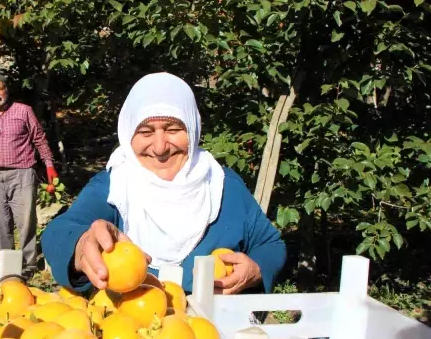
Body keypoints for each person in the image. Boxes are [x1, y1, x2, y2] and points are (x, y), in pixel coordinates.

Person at [41, 72, 286, 295]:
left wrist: (256, 269)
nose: (159, 148)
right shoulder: (115, 186)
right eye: (146, 132)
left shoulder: (223, 186)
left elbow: (270, 245)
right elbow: (58, 232)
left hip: (213, 333)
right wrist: (81, 244)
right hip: (129, 332)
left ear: (192, 129)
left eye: (173, 129)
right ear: (128, 135)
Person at [0, 73, 59, 278]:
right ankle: (8, 268)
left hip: (22, 173)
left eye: (0, 89)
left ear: (6, 89)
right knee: (0, 224)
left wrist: (49, 166)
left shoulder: (23, 111)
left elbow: (39, 139)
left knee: (25, 221)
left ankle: (27, 267)